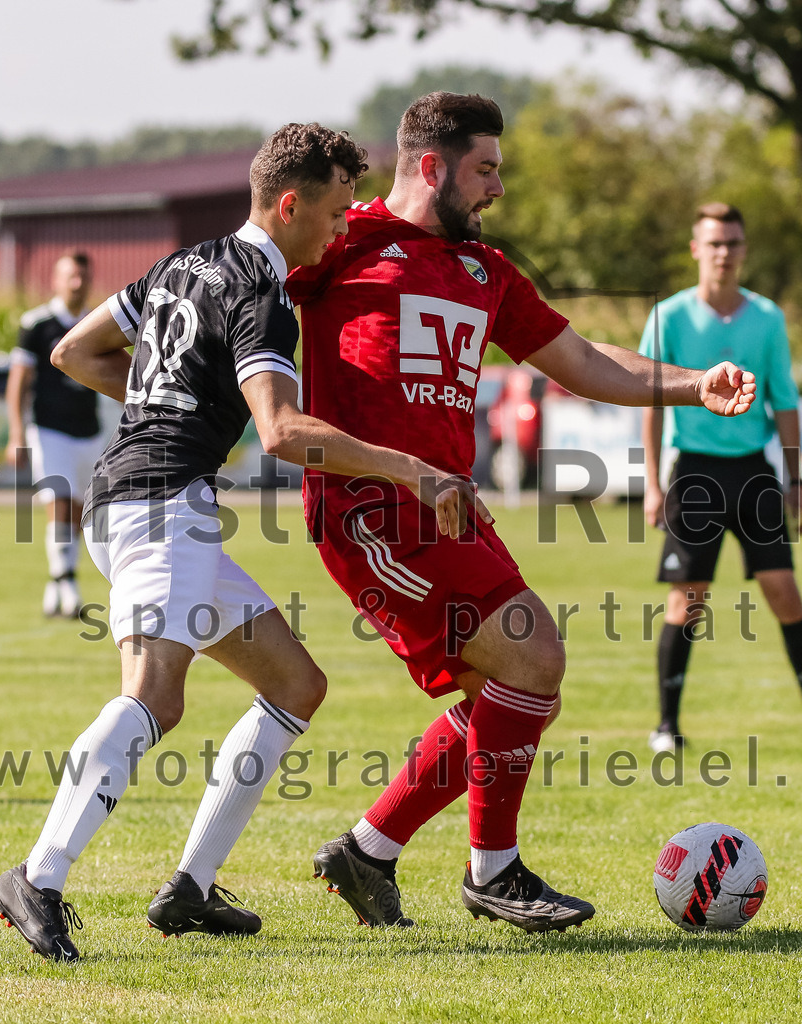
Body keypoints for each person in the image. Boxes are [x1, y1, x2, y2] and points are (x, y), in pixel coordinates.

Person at [0, 122, 483, 963]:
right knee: (156, 696)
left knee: (295, 682)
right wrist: (416, 471)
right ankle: (38, 876)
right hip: (158, 504)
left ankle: (190, 886)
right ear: (289, 205)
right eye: (330, 212)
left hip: (140, 496)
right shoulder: (262, 289)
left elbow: (79, 351)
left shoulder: (185, 260)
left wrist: (168, 401)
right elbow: (284, 432)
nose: (339, 227)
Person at [284, 93, 757, 933]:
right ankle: (492, 873)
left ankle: (369, 850)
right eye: (485, 169)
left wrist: (692, 384)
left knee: (508, 685)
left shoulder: (484, 271)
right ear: (431, 167)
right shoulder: (339, 242)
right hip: (373, 510)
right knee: (532, 655)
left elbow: (577, 360)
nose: (498, 187)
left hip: (452, 512)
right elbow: (236, 287)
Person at [640, 201, 802, 756]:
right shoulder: (670, 316)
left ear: (744, 249)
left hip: (754, 473)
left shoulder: (768, 317)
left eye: (733, 242)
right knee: (689, 600)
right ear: (696, 250)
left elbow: (784, 401)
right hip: (696, 476)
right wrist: (654, 483)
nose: (724, 253)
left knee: (785, 593)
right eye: (714, 243)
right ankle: (666, 726)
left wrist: (796, 481)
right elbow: (651, 399)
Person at [7, 252, 102, 618]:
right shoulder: (37, 324)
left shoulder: (97, 322)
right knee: (59, 501)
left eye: (83, 277)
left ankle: (57, 581)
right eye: (71, 277)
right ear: (56, 280)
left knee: (79, 508)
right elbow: (19, 381)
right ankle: (69, 586)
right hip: (49, 429)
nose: (77, 283)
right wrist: (17, 431)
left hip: (88, 430)